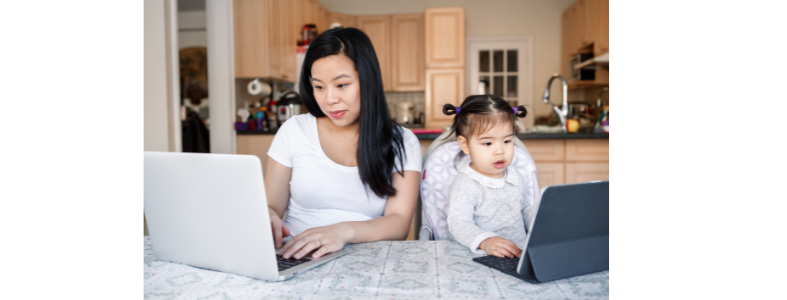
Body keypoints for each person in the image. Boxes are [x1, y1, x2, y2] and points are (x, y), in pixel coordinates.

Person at [265, 27, 422, 260]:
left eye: (341, 85)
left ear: (367, 81)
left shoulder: (402, 141)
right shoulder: (294, 130)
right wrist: (269, 218)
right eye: (319, 87)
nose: (329, 99)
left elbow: (399, 224)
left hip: (366, 259)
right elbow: (271, 206)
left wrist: (342, 232)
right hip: (294, 255)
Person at [443, 95, 533, 258]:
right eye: (487, 143)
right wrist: (485, 241)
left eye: (507, 141)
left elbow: (526, 208)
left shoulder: (515, 176)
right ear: (465, 145)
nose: (500, 151)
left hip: (518, 254)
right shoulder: (466, 183)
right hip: (480, 256)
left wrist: (541, 224)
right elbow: (458, 223)